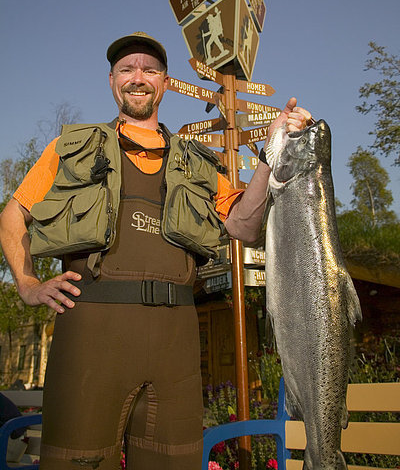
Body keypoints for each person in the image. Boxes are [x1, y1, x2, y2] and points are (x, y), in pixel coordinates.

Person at [0, 32, 311, 470]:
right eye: (127, 69)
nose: (138, 78)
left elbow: (244, 224)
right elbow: (12, 215)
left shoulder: (198, 163)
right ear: (112, 81)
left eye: (149, 69)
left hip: (176, 345)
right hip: (90, 341)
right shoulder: (72, 148)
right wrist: (28, 283)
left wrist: (270, 149)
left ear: (164, 83)